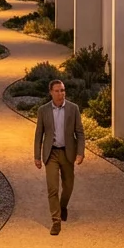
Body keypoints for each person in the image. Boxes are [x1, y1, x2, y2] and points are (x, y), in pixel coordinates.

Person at [33, 78, 85, 235]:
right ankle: (56, 221)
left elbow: (80, 133)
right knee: (53, 188)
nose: (60, 93)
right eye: (57, 90)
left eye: (62, 90)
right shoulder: (43, 110)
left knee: (68, 186)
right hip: (51, 153)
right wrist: (37, 156)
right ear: (51, 92)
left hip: (68, 152)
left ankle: (62, 206)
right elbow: (39, 135)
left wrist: (80, 152)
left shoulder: (73, 109)